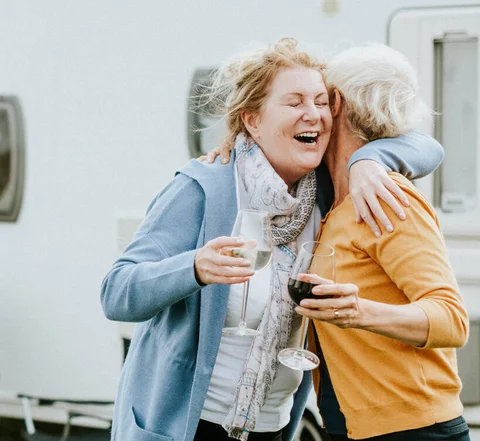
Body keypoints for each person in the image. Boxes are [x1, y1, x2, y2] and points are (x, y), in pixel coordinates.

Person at [100, 38, 443, 441]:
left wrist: (372, 159)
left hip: (274, 426)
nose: (313, 115)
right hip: (192, 426)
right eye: (295, 102)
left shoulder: (325, 188)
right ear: (253, 120)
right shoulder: (205, 188)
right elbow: (116, 293)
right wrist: (194, 267)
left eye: (321, 101)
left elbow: (427, 146)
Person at [296, 44, 471, 441]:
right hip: (352, 424)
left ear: (336, 102)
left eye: (321, 99)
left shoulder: (385, 196)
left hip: (412, 428)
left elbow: (451, 319)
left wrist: (357, 311)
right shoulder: (333, 196)